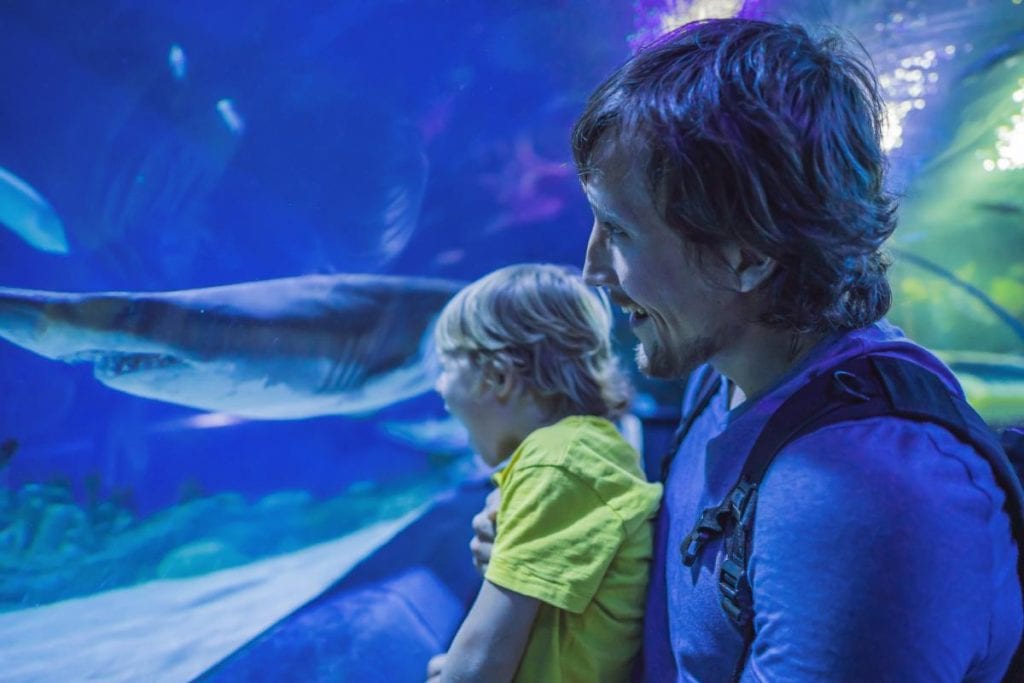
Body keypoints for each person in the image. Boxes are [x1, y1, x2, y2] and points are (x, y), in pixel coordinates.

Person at [470, 18, 1023, 681]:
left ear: (747, 257)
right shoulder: (728, 373)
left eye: (618, 231)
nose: (591, 268)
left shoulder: (861, 509)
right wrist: (560, 552)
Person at [425, 263, 663, 682]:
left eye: (447, 367)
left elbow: (482, 664)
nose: (441, 389)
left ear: (497, 376)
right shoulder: (586, 451)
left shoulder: (556, 463)